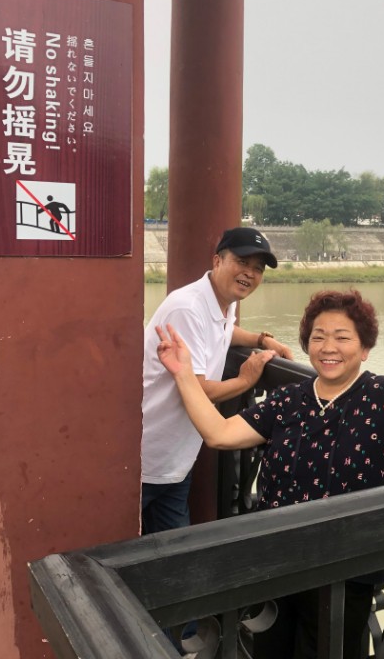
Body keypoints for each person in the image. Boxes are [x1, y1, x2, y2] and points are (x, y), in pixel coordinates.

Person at [154, 289, 384, 659]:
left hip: (345, 568)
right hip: (274, 561)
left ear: (365, 349)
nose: (329, 347)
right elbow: (219, 433)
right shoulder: (288, 400)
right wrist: (184, 373)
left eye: (343, 337)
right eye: (318, 337)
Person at [141, 226, 293, 537]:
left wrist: (261, 339)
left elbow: (222, 331)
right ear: (217, 260)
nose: (249, 273)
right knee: (120, 547)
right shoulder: (188, 307)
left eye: (258, 268)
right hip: (147, 457)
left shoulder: (222, 300)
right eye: (242, 262)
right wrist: (246, 379)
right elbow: (199, 389)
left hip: (176, 460)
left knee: (173, 551)